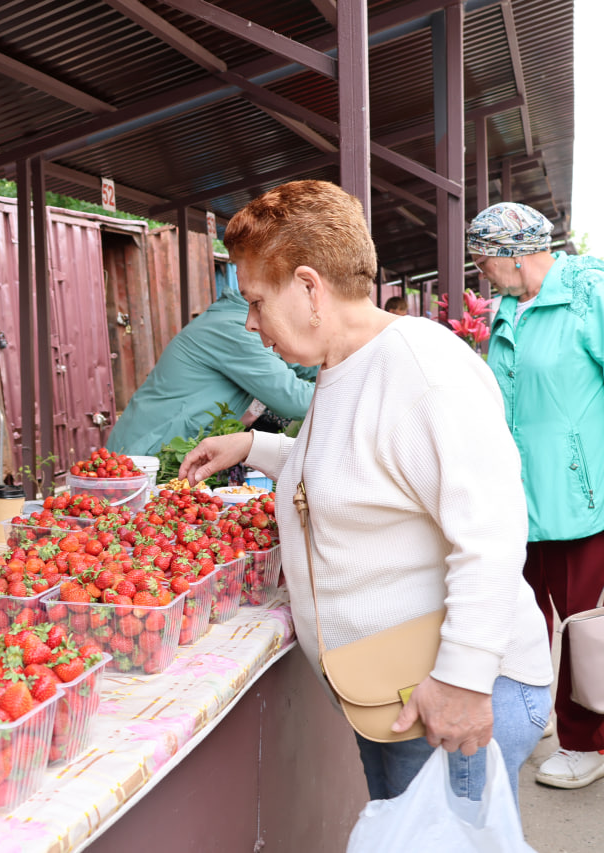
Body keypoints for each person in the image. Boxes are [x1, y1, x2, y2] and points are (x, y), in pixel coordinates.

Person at [179, 180, 552, 809]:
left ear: (307, 287)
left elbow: (491, 535)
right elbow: (360, 468)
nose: (249, 322)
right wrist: (256, 450)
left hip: (448, 690)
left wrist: (461, 681)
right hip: (393, 688)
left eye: (256, 301)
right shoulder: (343, 363)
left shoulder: (423, 368)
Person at [467, 201, 604, 789]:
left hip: (580, 498)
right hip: (517, 502)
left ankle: (586, 742)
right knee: (525, 618)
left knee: (583, 626)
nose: (480, 273)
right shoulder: (507, 311)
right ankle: (538, 713)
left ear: (515, 256)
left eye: (483, 262)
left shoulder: (587, 295)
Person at [106, 265, 316, 456]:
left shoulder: (240, 320)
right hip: (146, 452)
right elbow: (294, 401)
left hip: (161, 448)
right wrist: (346, 390)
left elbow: (302, 359)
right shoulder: (236, 329)